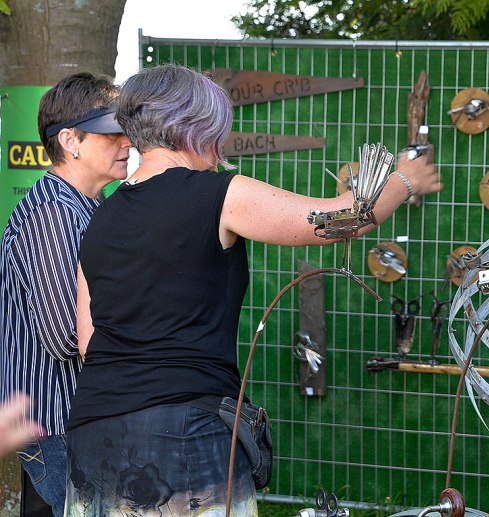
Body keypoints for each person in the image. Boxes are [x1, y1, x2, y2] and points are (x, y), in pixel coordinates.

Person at [64, 63, 441, 516]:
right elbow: (342, 219)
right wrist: (406, 180)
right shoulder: (217, 193)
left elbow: (89, 342)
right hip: (183, 432)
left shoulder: (100, 219)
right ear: (197, 125)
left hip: (93, 431)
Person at [0, 72, 132, 516]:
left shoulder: (84, 206)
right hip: (56, 424)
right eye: (112, 132)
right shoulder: (54, 213)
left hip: (71, 419)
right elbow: (66, 336)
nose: (127, 142)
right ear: (70, 140)